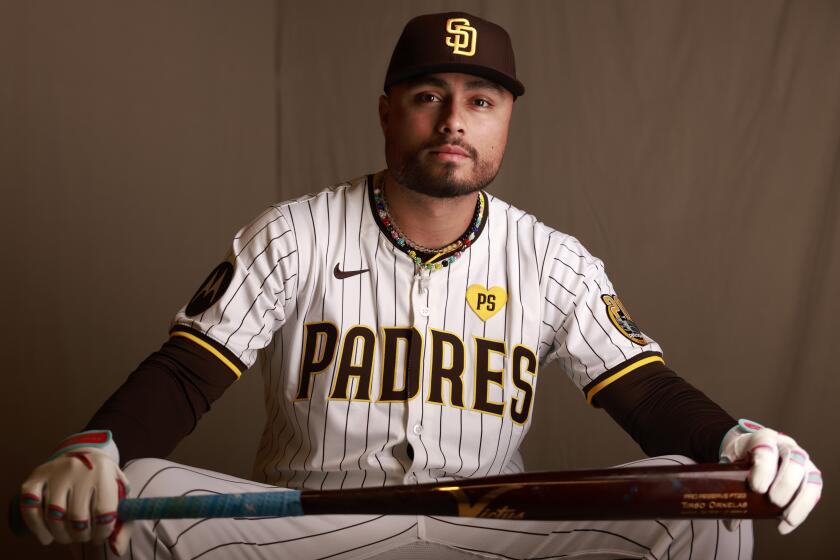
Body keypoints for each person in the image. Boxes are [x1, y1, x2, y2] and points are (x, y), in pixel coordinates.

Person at [20, 11, 821, 560]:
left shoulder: (551, 258)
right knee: (143, 491)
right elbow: (188, 373)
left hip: (497, 534)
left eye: (481, 100)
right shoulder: (294, 232)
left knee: (708, 508)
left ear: (506, 120)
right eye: (428, 96)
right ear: (386, 111)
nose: (453, 122)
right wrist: (100, 445)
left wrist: (736, 442)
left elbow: (643, 394)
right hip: (313, 532)